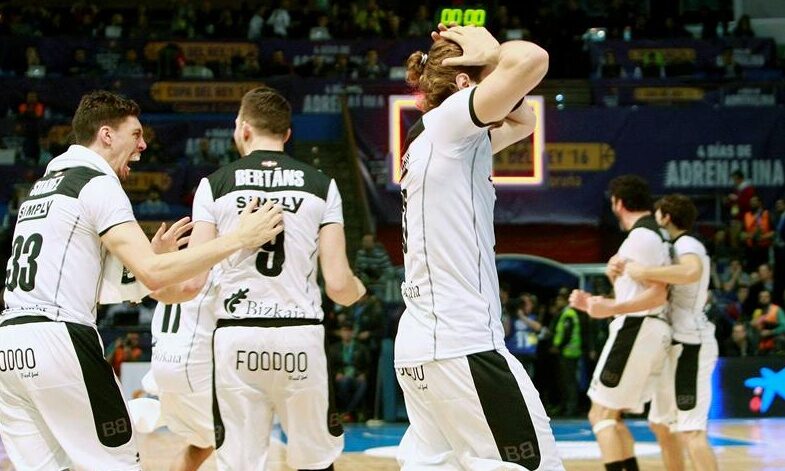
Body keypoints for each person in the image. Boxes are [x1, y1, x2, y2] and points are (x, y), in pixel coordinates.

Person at [0, 90, 282, 471]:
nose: (143, 145)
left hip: (10, 346)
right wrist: (239, 238)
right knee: (120, 463)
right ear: (106, 135)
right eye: (135, 134)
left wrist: (148, 261)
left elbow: (101, 284)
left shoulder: (41, 189)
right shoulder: (97, 183)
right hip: (59, 340)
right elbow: (153, 273)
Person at [160, 86, 366, 471]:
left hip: (237, 338)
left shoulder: (214, 185)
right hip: (300, 337)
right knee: (316, 462)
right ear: (287, 134)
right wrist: (360, 290)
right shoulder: (321, 185)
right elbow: (339, 286)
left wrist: (156, 281)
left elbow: (191, 284)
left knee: (239, 464)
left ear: (243, 128)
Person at [397, 24, 562, 469]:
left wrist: (490, 70)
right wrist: (492, 53)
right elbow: (533, 59)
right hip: (460, 341)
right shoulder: (450, 121)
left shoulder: (431, 138)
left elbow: (525, 121)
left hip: (423, 346)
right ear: (464, 84)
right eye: (489, 80)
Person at [569, 175, 674, 471]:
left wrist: (610, 308)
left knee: (600, 415)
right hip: (647, 328)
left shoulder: (641, 237)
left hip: (638, 327)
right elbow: (644, 292)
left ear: (618, 203)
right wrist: (604, 294)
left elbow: (658, 294)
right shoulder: (654, 234)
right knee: (611, 416)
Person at [625, 194, 720, 471]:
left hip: (691, 343)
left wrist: (644, 271)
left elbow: (692, 271)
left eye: (657, 214)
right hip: (673, 342)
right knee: (661, 425)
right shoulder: (669, 247)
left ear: (666, 217)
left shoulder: (687, 243)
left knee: (691, 430)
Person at [149, 269, 221, 471]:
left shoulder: (170, 265)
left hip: (162, 365)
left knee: (202, 445)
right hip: (193, 368)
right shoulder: (212, 265)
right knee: (238, 441)